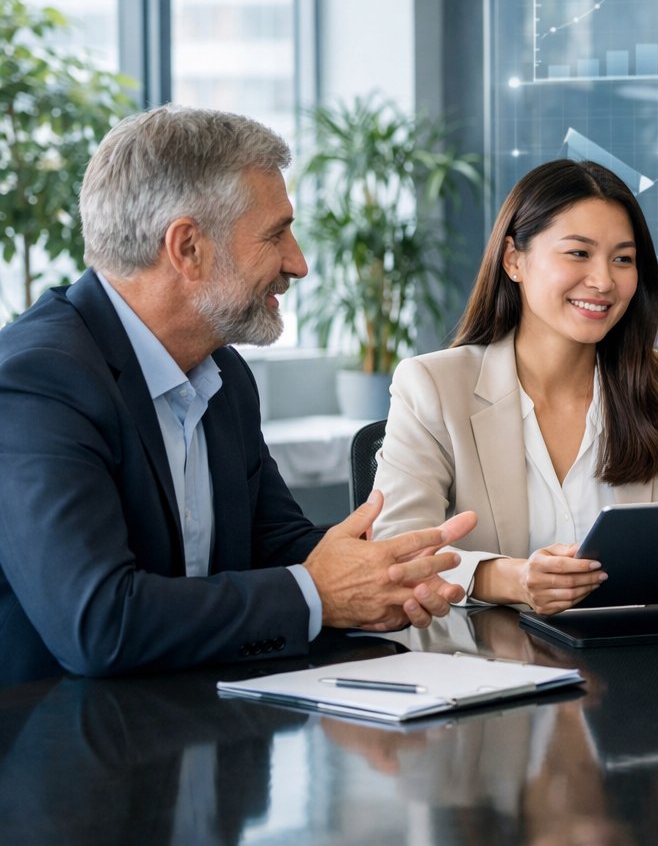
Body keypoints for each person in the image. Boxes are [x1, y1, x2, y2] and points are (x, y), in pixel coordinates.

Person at [0, 105, 477, 686]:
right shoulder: (37, 382)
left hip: (206, 729)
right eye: (275, 234)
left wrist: (384, 575)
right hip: (72, 752)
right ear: (187, 248)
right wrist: (320, 594)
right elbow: (100, 623)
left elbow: (276, 544)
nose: (297, 263)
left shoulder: (221, 371)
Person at [372, 159, 658, 612]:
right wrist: (505, 578)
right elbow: (395, 553)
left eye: (623, 259)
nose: (603, 281)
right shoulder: (434, 386)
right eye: (578, 253)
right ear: (514, 260)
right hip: (496, 669)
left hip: (648, 669)